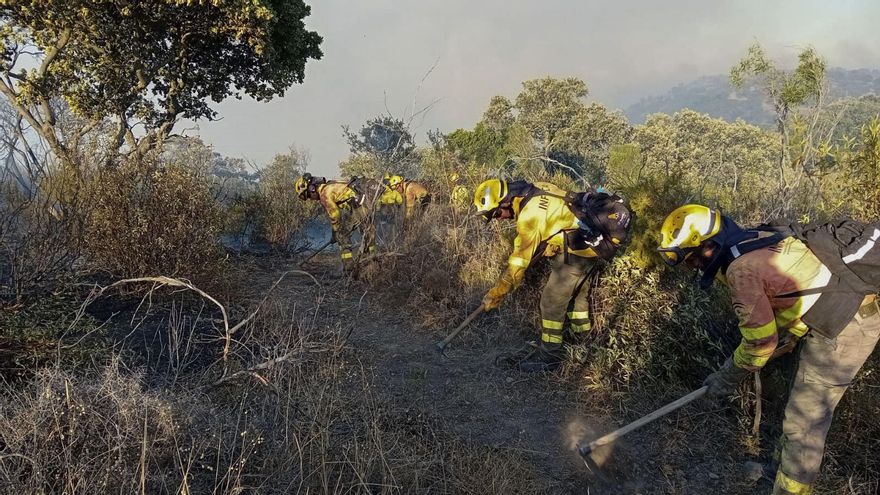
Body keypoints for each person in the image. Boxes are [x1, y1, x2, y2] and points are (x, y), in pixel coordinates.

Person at [657, 204, 880, 495]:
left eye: (691, 259)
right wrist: (795, 332)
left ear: (708, 246)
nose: (693, 266)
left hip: (845, 328)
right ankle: (781, 467)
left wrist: (723, 380)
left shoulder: (741, 271)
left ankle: (791, 489)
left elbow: (758, 345)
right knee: (798, 409)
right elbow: (806, 285)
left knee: (805, 421)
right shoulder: (755, 237)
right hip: (838, 316)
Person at [474, 178, 631, 372]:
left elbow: (518, 263)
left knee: (551, 300)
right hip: (589, 246)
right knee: (577, 296)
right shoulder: (539, 187)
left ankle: (550, 356)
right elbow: (560, 215)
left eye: (496, 213)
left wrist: (498, 292)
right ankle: (582, 340)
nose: (498, 218)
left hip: (576, 252)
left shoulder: (529, 217)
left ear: (506, 200)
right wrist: (550, 243)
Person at [294, 173, 381, 270]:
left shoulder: (324, 194)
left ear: (311, 189)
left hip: (359, 205)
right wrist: (333, 233)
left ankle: (349, 267)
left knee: (342, 234)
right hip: (365, 202)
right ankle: (371, 259)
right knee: (367, 231)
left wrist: (336, 232)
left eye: (307, 195)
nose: (310, 198)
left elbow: (335, 215)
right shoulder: (331, 185)